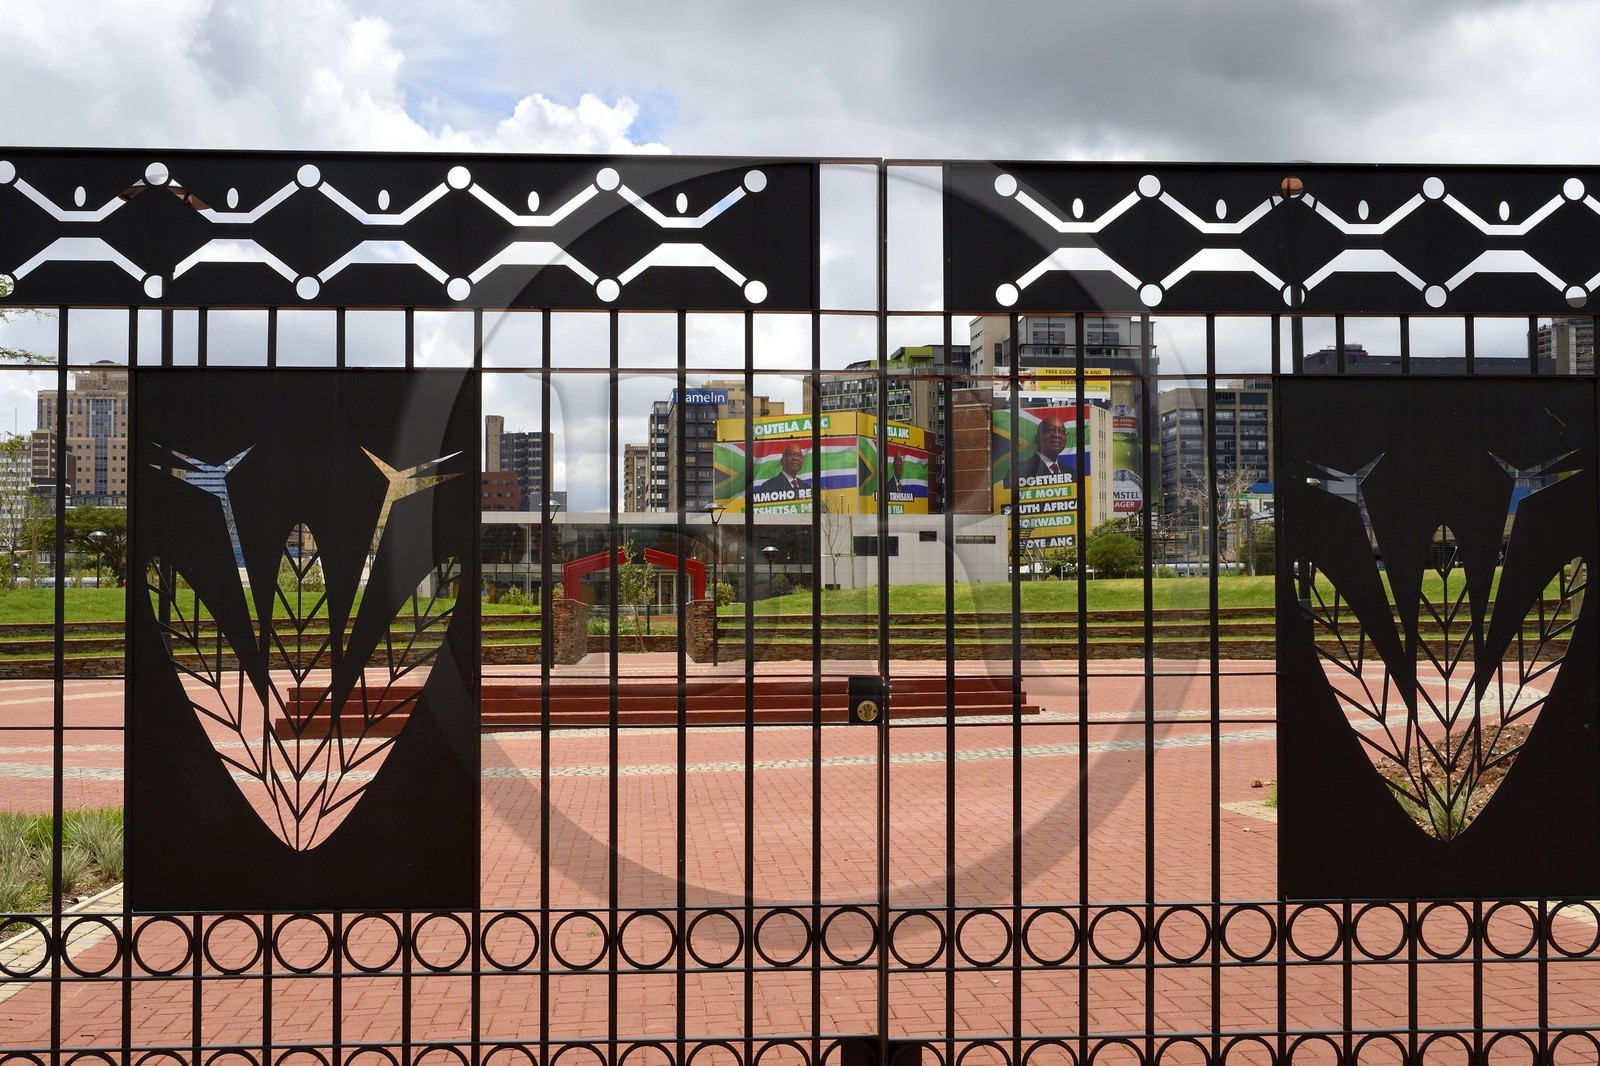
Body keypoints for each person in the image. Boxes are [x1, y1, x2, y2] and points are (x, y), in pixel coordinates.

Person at [1015, 415, 1068, 481]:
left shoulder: (1070, 472)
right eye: (1050, 429)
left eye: (1062, 431)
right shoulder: (1019, 471)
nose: (1057, 435)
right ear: (1037, 438)